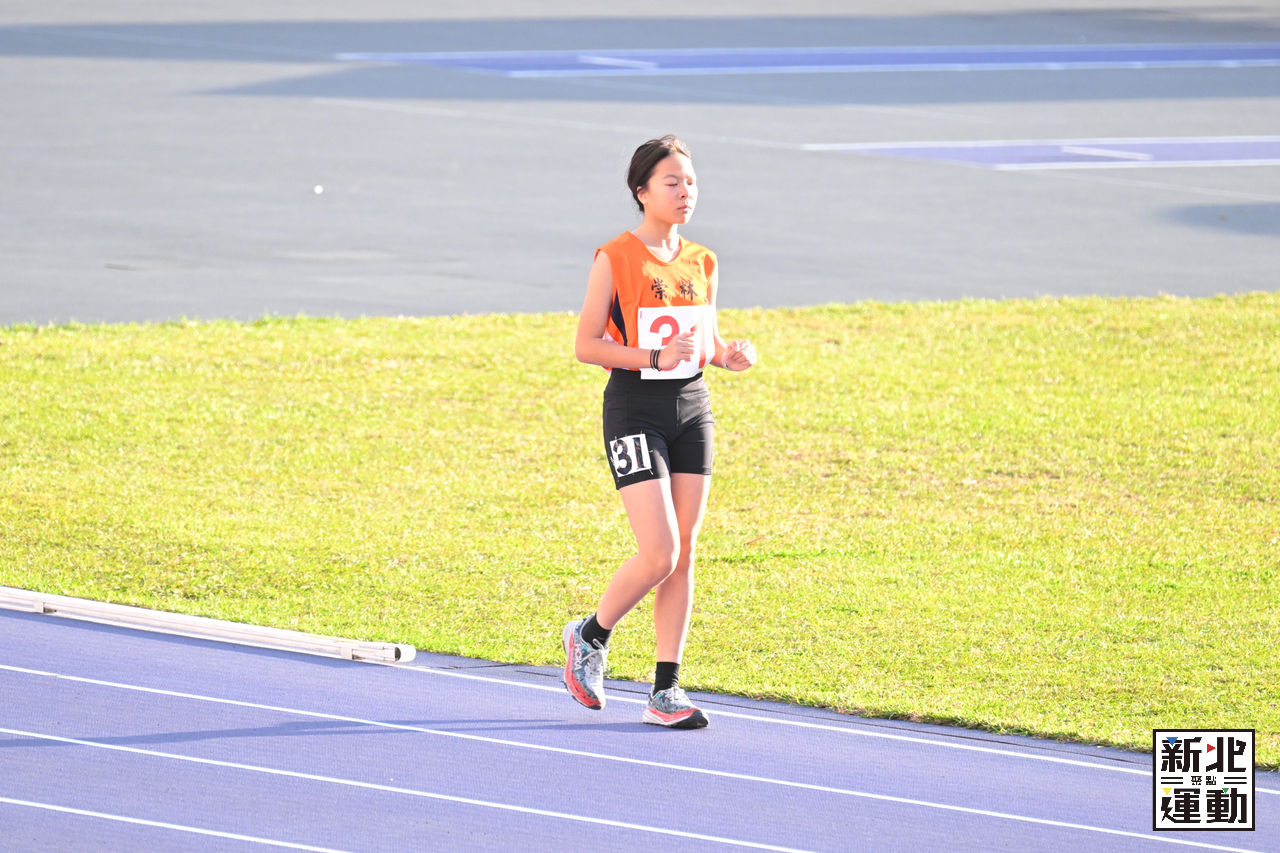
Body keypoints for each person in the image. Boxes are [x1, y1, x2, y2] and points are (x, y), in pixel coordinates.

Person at [564, 134, 757, 729]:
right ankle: (590, 636)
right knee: (660, 552)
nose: (684, 192)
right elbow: (587, 345)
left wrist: (729, 355)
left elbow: (706, 342)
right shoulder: (615, 257)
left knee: (685, 553)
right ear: (642, 191)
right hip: (634, 410)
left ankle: (666, 690)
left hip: (692, 409)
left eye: (691, 182)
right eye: (672, 182)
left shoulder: (704, 261)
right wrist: (653, 356)